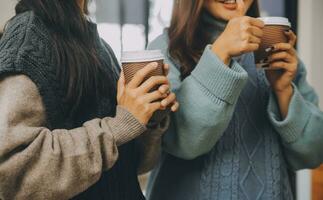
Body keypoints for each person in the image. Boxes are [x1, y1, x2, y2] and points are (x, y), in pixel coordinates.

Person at [0, 0, 179, 199]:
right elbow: (13, 174)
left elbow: (132, 166)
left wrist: (148, 119)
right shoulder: (27, 44)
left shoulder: (98, 44)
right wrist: (119, 126)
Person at [146, 0, 323, 199]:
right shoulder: (165, 49)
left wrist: (283, 90)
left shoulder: (275, 50)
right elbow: (183, 143)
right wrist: (220, 53)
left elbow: (314, 154)